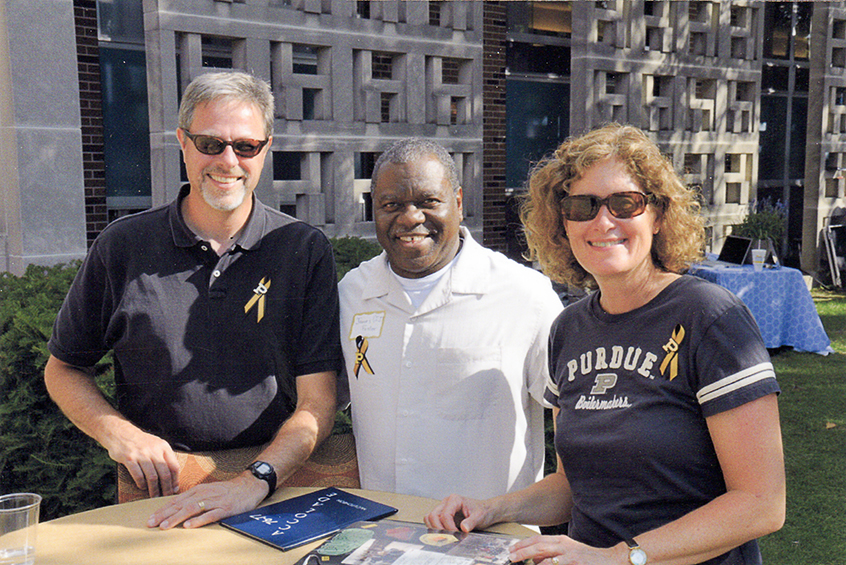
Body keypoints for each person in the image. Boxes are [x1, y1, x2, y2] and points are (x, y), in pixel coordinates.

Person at [425, 124, 785, 565]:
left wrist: (621, 556)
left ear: (657, 215)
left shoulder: (709, 317)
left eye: (624, 203)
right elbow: (574, 486)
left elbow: (761, 503)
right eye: (582, 206)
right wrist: (493, 508)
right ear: (563, 223)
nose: (603, 221)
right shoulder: (568, 329)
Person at [45, 71, 342, 529]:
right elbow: (63, 367)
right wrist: (118, 434)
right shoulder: (122, 246)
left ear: (265, 149)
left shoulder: (302, 248)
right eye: (210, 143)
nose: (228, 160)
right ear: (182, 142)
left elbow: (316, 402)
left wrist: (255, 479)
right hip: (162, 487)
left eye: (245, 146)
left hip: (274, 482)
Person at [339, 138, 564, 501]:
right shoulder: (352, 292)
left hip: (489, 543)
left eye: (428, 201)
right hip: (382, 538)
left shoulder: (525, 296)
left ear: (457, 203)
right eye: (391, 204)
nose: (410, 217)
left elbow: (574, 422)